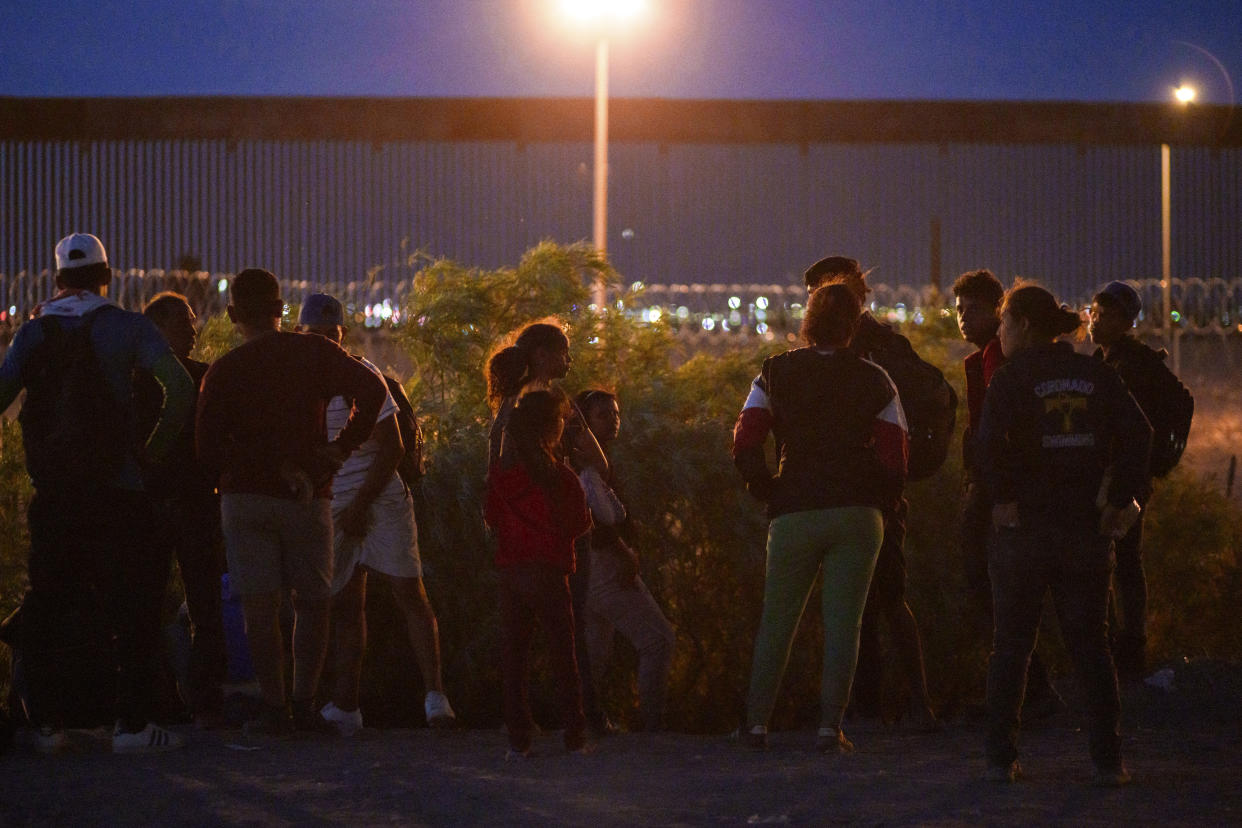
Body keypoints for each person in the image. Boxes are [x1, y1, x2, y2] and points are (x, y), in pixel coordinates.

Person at [0, 233, 194, 753]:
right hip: (119, 491)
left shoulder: (33, 333)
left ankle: (48, 724)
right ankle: (130, 724)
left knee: (49, 600)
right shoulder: (128, 326)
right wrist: (151, 453)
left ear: (59, 279)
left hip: (56, 493)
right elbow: (180, 389)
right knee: (130, 603)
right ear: (108, 276)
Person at [196, 269, 387, 737]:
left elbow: (205, 449)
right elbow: (374, 391)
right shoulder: (316, 353)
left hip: (244, 498)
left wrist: (258, 463)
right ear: (281, 309)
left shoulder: (224, 371)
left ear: (233, 313)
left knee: (259, 608)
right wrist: (339, 449)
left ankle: (274, 707)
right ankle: (304, 703)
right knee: (314, 602)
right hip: (308, 494)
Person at [978, 282, 1150, 786]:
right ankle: (1107, 761)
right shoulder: (1095, 374)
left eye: (1005, 321)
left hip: (1026, 533)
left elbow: (987, 445)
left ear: (1025, 326)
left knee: (1011, 646)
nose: (1000, 331)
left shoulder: (1011, 379)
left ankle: (1000, 758)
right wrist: (1119, 500)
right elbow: (1138, 436)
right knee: (1090, 648)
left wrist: (1003, 498)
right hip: (1084, 532)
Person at [733, 282, 908, 753]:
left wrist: (765, 487)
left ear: (808, 319)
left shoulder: (774, 372)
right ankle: (831, 728)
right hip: (857, 513)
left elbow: (746, 440)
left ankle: (755, 725)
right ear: (856, 323)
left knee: (777, 620)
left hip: (794, 511)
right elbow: (896, 456)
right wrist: (882, 501)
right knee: (844, 624)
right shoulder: (876, 379)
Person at [295, 294, 455, 735]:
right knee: (345, 605)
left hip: (377, 495)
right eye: (316, 335)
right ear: (301, 335)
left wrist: (361, 504)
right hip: (335, 501)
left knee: (408, 590)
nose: (325, 343)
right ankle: (346, 705)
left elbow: (393, 448)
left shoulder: (361, 377)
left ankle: (435, 697)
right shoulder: (301, 385)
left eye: (331, 335)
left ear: (341, 336)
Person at [804, 256, 938, 729]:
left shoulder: (876, 349)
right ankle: (877, 707)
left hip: (868, 493)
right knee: (869, 601)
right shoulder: (873, 346)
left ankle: (902, 706)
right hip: (863, 492)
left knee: (879, 600)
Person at [486, 321, 609, 732]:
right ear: (542, 355)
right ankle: (582, 720)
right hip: (555, 533)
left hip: (513, 539)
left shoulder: (506, 405)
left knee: (515, 643)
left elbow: (493, 473)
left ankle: (518, 725)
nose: (569, 360)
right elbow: (598, 462)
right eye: (563, 351)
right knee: (568, 632)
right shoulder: (556, 405)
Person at [953, 269, 1064, 718]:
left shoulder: (1000, 359)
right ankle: (1030, 691)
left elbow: (1003, 430)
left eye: (972, 310)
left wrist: (995, 489)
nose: (962, 319)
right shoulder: (984, 358)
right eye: (957, 310)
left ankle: (1024, 695)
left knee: (993, 584)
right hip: (997, 484)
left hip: (1001, 489)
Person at [1089, 280, 1191, 679]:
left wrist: (1158, 461)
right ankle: (1125, 646)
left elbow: (1170, 408)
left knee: (1120, 559)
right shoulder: (1112, 359)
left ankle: (1126, 648)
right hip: (1125, 474)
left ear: (1126, 321)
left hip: (1125, 478)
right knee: (1122, 559)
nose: (1095, 321)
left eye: (1105, 315)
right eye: (1093, 313)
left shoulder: (1131, 364)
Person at [136, 291, 229, 728]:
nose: (194, 331)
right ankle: (202, 700)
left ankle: (166, 699)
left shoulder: (134, 380)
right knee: (201, 605)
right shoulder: (198, 379)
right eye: (184, 324)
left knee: (161, 605)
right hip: (188, 503)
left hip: (162, 504)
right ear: (157, 328)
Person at [484, 389, 593, 756]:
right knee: (565, 655)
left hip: (511, 574)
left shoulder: (503, 475)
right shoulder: (560, 478)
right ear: (550, 429)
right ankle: (574, 733)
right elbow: (579, 523)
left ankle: (519, 737)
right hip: (549, 575)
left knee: (514, 657)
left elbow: (492, 517)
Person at [575, 389, 675, 732]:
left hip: (585, 568)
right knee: (658, 640)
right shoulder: (586, 464)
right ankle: (652, 727)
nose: (613, 420)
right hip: (604, 564)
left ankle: (586, 719)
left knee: (594, 651)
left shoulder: (593, 460)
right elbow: (593, 519)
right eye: (603, 415)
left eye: (615, 413)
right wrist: (624, 552)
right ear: (585, 422)